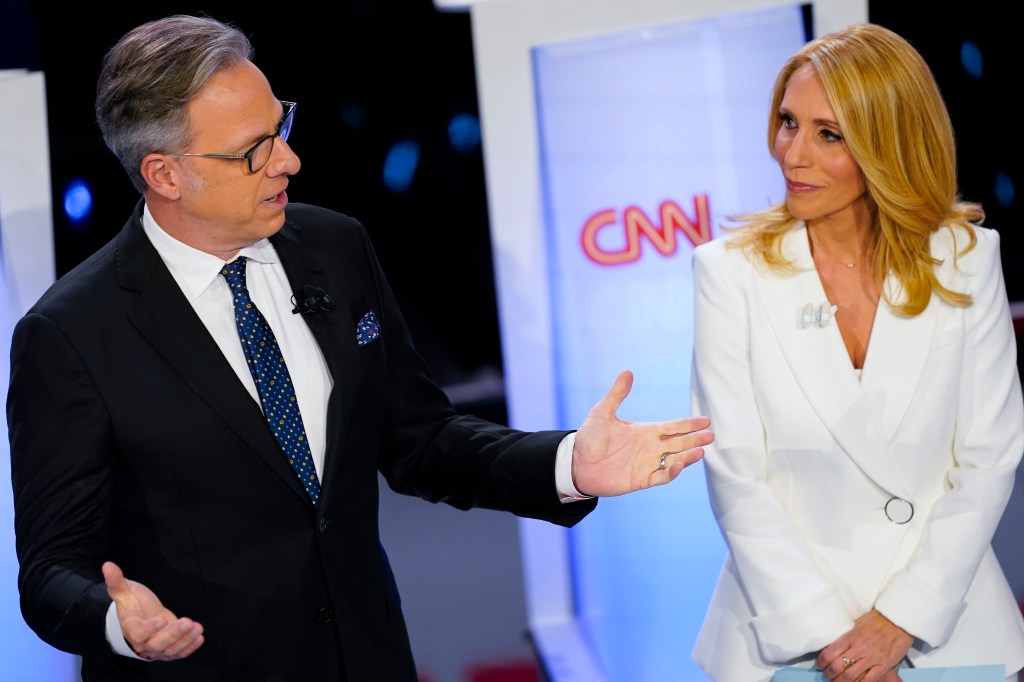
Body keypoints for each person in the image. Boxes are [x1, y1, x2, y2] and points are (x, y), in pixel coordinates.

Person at [5, 14, 715, 682]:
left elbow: (420, 441)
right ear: (165, 175)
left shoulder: (334, 247)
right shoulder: (71, 335)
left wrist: (567, 465)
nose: (289, 158)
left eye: (280, 125)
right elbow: (50, 571)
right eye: (254, 151)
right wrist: (115, 622)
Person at [689, 23, 1024, 682]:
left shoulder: (965, 260)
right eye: (788, 122)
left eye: (828, 134)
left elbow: (990, 455)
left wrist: (902, 620)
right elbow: (735, 474)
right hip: (787, 637)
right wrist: (833, 643)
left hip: (947, 633)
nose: (793, 155)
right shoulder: (729, 273)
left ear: (888, 143)